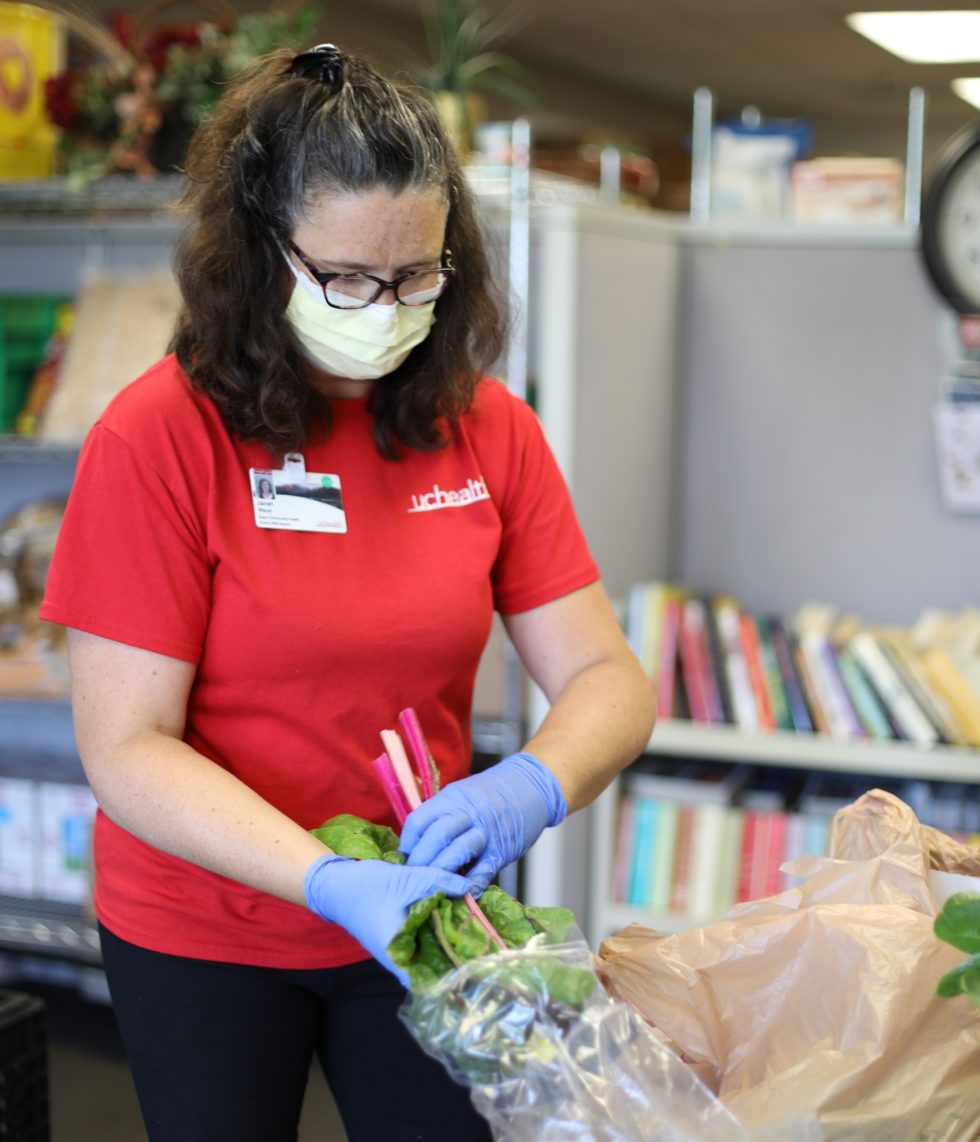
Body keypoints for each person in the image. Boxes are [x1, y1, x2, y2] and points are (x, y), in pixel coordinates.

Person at [40, 43, 656, 1142]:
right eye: (347, 280)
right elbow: (126, 745)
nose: (385, 307)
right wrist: (325, 877)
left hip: (420, 911)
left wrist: (529, 783)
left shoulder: (485, 426)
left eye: (417, 275)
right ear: (256, 253)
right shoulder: (157, 436)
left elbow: (607, 676)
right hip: (208, 924)